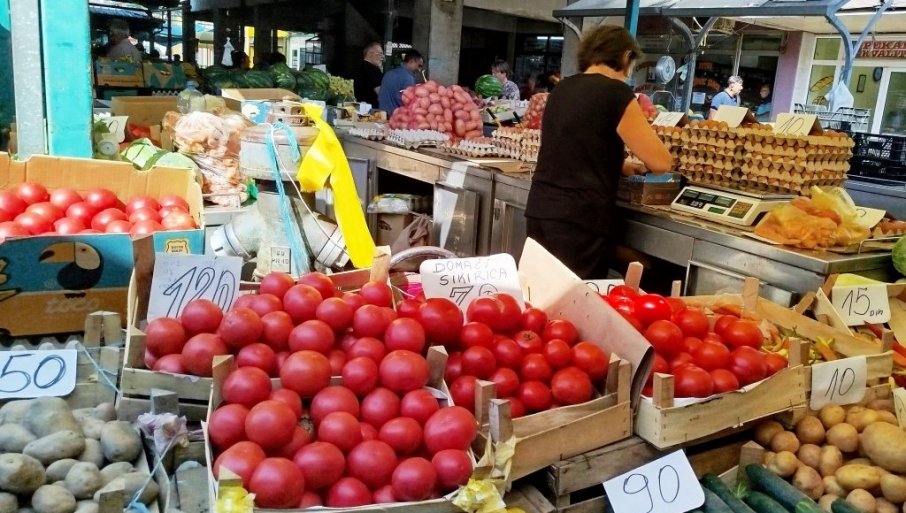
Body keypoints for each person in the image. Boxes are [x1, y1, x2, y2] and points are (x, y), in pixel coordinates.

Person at [524, 25, 673, 280]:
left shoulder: (562, 88)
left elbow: (573, 145)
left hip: (541, 210)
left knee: (540, 291)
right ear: (625, 56)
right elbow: (661, 163)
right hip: (579, 222)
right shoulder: (616, 93)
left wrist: (618, 165)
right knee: (575, 298)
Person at [354, 42, 384, 107]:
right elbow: (381, 93)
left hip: (360, 108)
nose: (382, 56)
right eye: (380, 53)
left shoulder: (360, 67)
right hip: (373, 110)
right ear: (370, 54)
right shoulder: (373, 70)